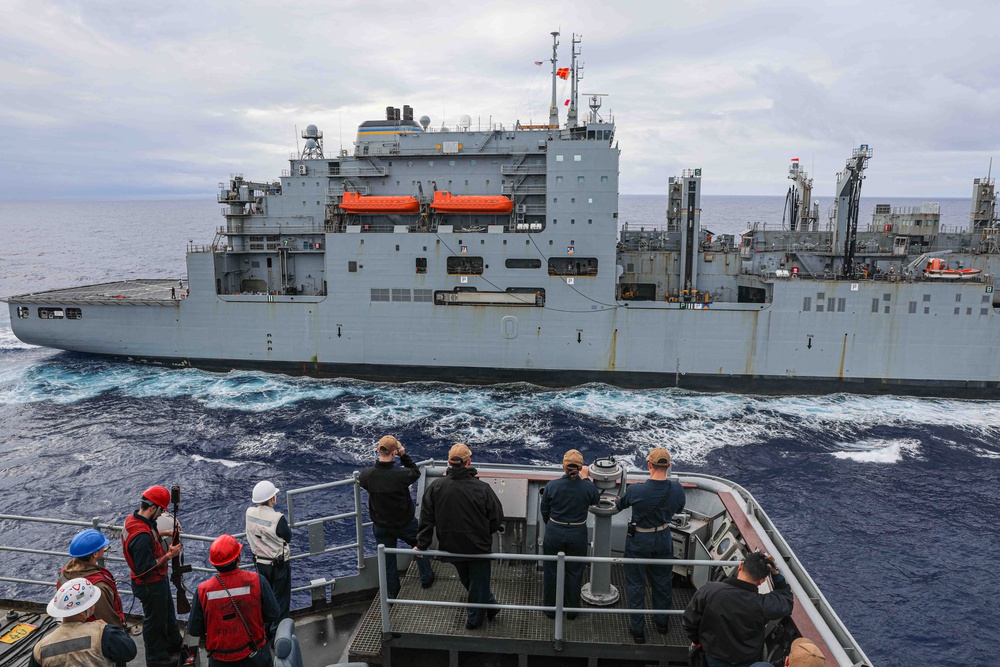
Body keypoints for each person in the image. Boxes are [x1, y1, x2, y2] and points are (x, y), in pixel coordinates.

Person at [416, 443, 504, 629]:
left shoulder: (437, 486)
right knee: (477, 582)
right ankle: (475, 621)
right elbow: (496, 518)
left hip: (451, 545)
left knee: (469, 580)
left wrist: (422, 545)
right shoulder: (482, 488)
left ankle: (489, 606)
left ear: (449, 462)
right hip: (478, 547)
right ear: (468, 462)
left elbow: (426, 517)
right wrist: (484, 532)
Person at [615, 447, 686, 644]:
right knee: (662, 581)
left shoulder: (636, 490)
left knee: (636, 583)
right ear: (669, 466)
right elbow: (679, 508)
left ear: (649, 465)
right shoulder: (677, 489)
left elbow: (620, 505)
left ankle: (638, 631)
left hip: (639, 540)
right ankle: (662, 624)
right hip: (663, 537)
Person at [683, 551, 794, 667]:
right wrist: (775, 573)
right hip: (745, 662)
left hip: (713, 658)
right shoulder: (762, 604)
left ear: (741, 566)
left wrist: (696, 640)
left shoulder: (709, 590)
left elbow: (690, 621)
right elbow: (786, 602)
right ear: (762, 581)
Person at [357, 435, 435, 598]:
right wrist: (404, 455)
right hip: (405, 523)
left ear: (378, 450)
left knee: (388, 561)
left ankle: (392, 595)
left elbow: (364, 481)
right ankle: (426, 579)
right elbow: (415, 472)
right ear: (394, 453)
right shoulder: (400, 475)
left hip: (381, 526)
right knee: (419, 545)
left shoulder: (367, 475)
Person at [188, 534, 280, 667]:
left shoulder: (203, 590)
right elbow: (273, 614)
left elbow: (195, 629)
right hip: (254, 656)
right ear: (238, 558)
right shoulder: (257, 581)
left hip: (220, 660)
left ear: (214, 563)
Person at [121, 485, 184, 667]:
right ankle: (156, 658)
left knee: (166, 614)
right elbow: (145, 568)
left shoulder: (133, 520)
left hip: (156, 581)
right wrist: (168, 555)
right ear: (153, 508)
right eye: (161, 510)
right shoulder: (142, 537)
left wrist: (163, 533)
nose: (161, 514)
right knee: (154, 622)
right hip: (150, 584)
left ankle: (174, 644)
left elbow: (149, 534)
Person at [540, 449, 600, 620]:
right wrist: (587, 477)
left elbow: (545, 510)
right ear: (581, 467)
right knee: (575, 572)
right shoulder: (587, 487)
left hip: (554, 531)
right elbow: (595, 498)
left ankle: (550, 610)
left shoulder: (552, 486)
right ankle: (572, 611)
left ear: (563, 466)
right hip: (577, 533)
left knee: (551, 571)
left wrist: (552, 525)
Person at [31, 578, 137, 667]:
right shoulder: (103, 634)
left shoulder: (40, 648)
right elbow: (130, 652)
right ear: (86, 609)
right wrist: (106, 628)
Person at [245, 480, 292, 627]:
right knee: (281, 599)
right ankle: (278, 632)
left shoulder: (249, 512)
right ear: (272, 499)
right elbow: (287, 536)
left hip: (260, 563)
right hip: (279, 565)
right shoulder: (278, 518)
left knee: (265, 597)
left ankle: (265, 630)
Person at [58, 529, 126, 627]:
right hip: (95, 631)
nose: (104, 548)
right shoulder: (99, 586)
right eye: (102, 547)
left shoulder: (65, 572)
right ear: (95, 554)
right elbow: (108, 619)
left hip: (74, 625)